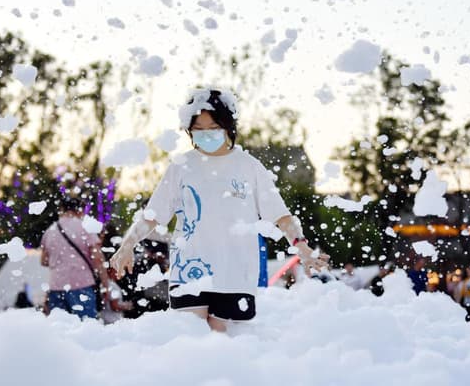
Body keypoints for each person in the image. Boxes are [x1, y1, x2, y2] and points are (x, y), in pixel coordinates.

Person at [110, 88, 329, 332]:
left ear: (227, 126)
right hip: (189, 271)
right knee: (191, 339)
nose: (206, 135)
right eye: (198, 129)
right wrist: (127, 244)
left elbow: (281, 215)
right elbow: (153, 214)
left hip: (235, 273)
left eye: (213, 127)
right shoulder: (181, 166)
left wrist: (302, 246)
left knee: (224, 344)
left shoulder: (248, 166)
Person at [40, 197, 109, 320]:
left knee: (59, 330)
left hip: (56, 286)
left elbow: (44, 261)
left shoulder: (50, 231)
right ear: (80, 210)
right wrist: (105, 285)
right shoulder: (85, 227)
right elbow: (98, 259)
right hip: (82, 284)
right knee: (86, 328)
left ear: (61, 210)